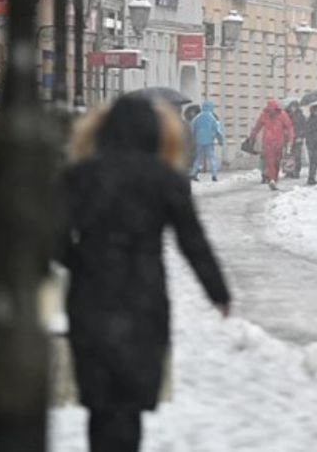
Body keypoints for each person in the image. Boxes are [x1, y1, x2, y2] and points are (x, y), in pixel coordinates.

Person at [60, 98, 231, 452]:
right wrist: (218, 292)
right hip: (143, 296)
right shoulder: (164, 179)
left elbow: (48, 231)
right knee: (129, 401)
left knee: (100, 400)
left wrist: (79, 262)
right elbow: (192, 241)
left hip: (91, 296)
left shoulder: (82, 176)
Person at [250, 100, 294, 191]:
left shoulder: (282, 115)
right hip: (267, 143)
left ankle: (274, 178)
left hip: (279, 143)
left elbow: (289, 127)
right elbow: (257, 126)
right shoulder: (264, 115)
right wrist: (252, 137)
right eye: (269, 110)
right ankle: (272, 180)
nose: (271, 112)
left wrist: (290, 140)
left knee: (277, 162)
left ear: (276, 109)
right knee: (269, 162)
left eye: (272, 110)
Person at [189, 101, 225, 182]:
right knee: (211, 158)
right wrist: (220, 140)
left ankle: (193, 173)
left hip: (199, 140)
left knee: (198, 157)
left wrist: (194, 136)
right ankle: (214, 175)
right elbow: (217, 130)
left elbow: (192, 127)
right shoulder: (212, 118)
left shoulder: (197, 117)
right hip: (209, 141)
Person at [285, 101, 307, 179]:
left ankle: (296, 171)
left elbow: (304, 127)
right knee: (288, 155)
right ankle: (288, 171)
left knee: (297, 155)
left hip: (297, 138)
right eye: (291, 106)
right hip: (288, 138)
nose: (292, 108)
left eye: (294, 106)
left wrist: (301, 136)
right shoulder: (286, 115)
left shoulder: (300, 116)